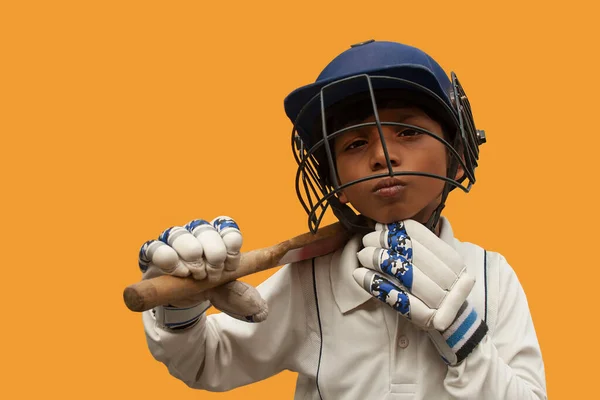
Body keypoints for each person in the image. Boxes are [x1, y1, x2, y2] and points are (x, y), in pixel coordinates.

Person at [138, 40, 547, 399]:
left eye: (407, 131)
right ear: (334, 179)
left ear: (457, 154)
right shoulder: (313, 277)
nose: (382, 156)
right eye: (354, 142)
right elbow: (208, 361)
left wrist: (464, 336)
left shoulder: (492, 276)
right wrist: (180, 309)